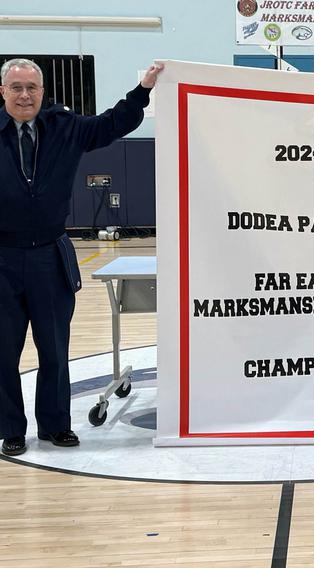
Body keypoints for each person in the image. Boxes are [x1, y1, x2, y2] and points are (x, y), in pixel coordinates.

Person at [0, 58, 162, 457]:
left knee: (54, 346)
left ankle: (55, 425)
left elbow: (111, 124)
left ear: (42, 91)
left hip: (50, 256)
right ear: (2, 91)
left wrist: (142, 90)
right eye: (16, 87)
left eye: (31, 87)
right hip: (2, 256)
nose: (25, 95)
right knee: (4, 350)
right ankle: (11, 430)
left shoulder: (64, 127)